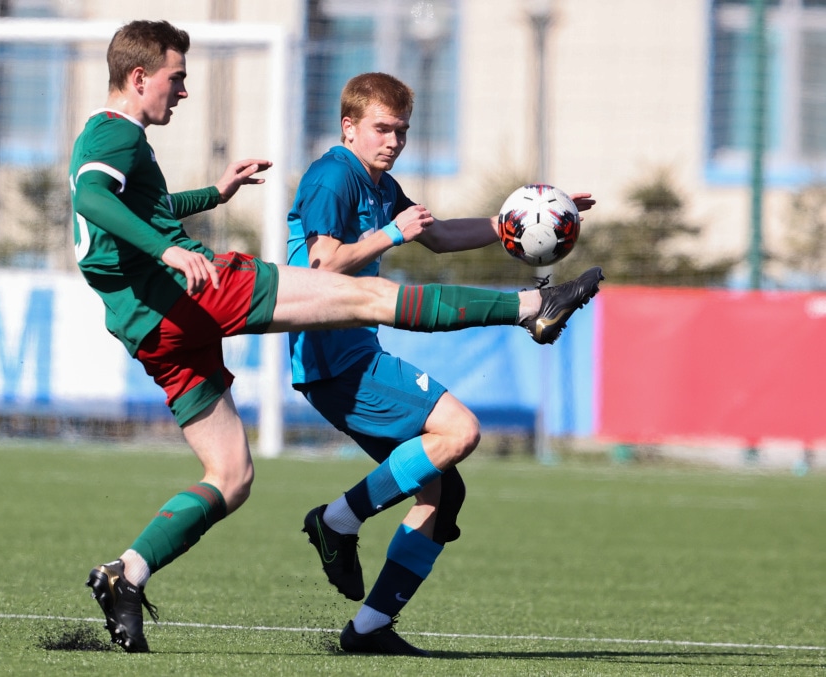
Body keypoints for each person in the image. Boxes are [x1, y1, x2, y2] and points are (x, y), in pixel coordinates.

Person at [70, 21, 602, 654]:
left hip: (154, 326)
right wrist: (168, 250)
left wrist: (214, 193)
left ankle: (127, 572)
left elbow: (136, 204)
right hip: (189, 289)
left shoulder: (124, 144)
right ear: (139, 77)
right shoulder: (114, 132)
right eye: (176, 77)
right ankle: (530, 305)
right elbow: (91, 197)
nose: (182, 90)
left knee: (232, 476)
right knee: (367, 300)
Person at [288, 72, 600, 656]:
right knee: (460, 430)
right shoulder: (333, 175)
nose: (394, 141)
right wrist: (389, 233)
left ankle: (370, 629)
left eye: (402, 130)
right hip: (333, 357)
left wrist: (528, 220)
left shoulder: (379, 181)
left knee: (440, 494)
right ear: (349, 126)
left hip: (355, 352)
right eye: (382, 128)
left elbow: (439, 236)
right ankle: (336, 520)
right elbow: (321, 267)